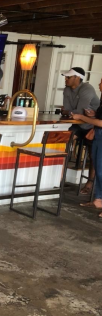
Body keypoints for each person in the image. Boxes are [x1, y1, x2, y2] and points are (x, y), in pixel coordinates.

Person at [61, 67, 100, 195]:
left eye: (68, 77)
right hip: (78, 124)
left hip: (92, 126)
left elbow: (78, 111)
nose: (65, 79)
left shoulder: (87, 89)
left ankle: (90, 183)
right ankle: (60, 177)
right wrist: (73, 112)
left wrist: (73, 112)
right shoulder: (67, 89)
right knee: (65, 142)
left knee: (92, 155)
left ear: (77, 78)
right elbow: (66, 110)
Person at [72, 77, 102, 217]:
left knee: (101, 170)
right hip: (98, 134)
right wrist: (93, 114)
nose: (99, 83)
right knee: (97, 166)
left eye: (101, 82)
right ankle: (98, 200)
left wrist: (82, 117)